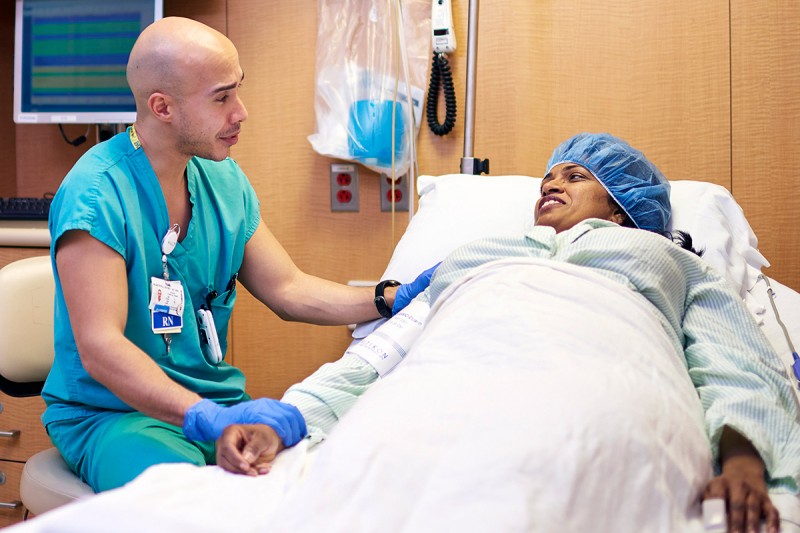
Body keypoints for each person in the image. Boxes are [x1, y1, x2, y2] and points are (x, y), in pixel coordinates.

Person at [216, 133, 800, 533]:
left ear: (623, 206)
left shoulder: (668, 260)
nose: (551, 183)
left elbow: (736, 361)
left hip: (606, 377)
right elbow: (380, 358)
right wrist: (285, 420)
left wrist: (744, 461)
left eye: (575, 175)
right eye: (548, 176)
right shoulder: (477, 257)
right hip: (455, 378)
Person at [42, 16, 433, 493]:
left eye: (237, 91)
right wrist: (200, 415)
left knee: (321, 486)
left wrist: (389, 298)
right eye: (222, 97)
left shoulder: (220, 178)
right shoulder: (96, 195)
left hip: (216, 409)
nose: (242, 112)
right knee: (193, 503)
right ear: (162, 107)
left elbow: (287, 289)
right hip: (117, 416)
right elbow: (100, 348)